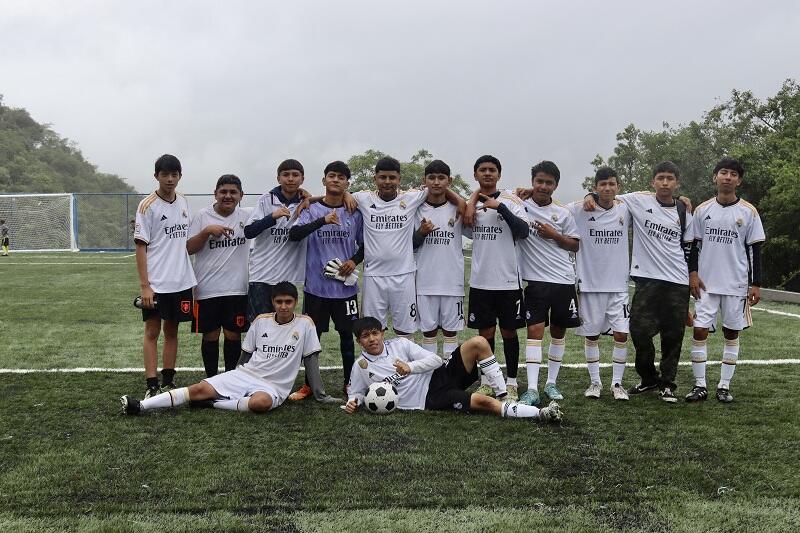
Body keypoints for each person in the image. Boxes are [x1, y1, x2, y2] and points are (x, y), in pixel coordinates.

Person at [121, 282, 329, 415]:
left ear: (296, 302)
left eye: (288, 302)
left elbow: (311, 361)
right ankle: (140, 406)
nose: (284, 306)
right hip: (247, 374)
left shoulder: (305, 324)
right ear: (272, 302)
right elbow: (245, 355)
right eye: (279, 302)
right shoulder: (260, 321)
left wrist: (320, 394)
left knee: (260, 404)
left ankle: (213, 404)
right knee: (198, 389)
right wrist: (232, 378)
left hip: (273, 387)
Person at [584, 161, 694, 403]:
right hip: (646, 280)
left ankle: (667, 384)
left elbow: (689, 247)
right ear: (652, 181)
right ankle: (648, 378)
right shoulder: (637, 200)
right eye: (661, 178)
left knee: (673, 335)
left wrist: (691, 277)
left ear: (677, 183)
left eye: (670, 178)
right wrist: (589, 194)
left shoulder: (684, 210)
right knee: (638, 331)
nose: (665, 182)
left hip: (677, 282)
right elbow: (607, 193)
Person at [343, 316, 562, 423]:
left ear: (382, 333)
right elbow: (356, 393)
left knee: (478, 342)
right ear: (359, 342)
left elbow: (436, 360)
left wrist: (409, 367)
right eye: (365, 336)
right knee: (483, 403)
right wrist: (355, 402)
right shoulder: (360, 366)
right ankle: (540, 414)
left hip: (440, 376)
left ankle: (505, 395)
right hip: (430, 398)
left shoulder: (400, 344)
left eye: (375, 333)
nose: (372, 339)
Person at [348, 156, 464, 341]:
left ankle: (403, 368)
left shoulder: (411, 198)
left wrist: (462, 202)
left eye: (392, 178)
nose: (387, 182)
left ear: (399, 179)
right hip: (373, 277)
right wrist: (309, 196)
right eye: (383, 177)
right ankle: (381, 368)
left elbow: (439, 188)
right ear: (374, 179)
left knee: (405, 330)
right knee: (372, 330)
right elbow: (337, 194)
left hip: (404, 276)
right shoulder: (363, 198)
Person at [685, 157, 765, 403]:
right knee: (699, 331)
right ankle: (700, 385)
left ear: (739, 181)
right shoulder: (703, 210)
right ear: (715, 177)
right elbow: (694, 246)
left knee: (731, 333)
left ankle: (724, 386)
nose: (727, 177)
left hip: (736, 284)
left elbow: (754, 250)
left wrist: (756, 283)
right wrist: (693, 274)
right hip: (706, 285)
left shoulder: (749, 212)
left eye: (733, 174)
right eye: (723, 172)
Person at [287, 161, 364, 398]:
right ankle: (310, 384)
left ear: (347, 183)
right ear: (324, 180)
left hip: (345, 289)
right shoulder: (310, 208)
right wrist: (322, 220)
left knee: (347, 336)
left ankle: (350, 383)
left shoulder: (354, 210)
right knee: (313, 338)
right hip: (316, 288)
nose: (336, 180)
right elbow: (294, 235)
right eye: (332, 176)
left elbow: (365, 245)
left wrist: (354, 260)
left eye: (341, 177)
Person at [462, 155, 528, 400]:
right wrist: (472, 201)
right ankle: (488, 382)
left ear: (499, 175)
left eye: (492, 170)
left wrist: (500, 207)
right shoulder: (471, 204)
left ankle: (511, 382)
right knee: (485, 336)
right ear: (476, 175)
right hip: (481, 282)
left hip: (509, 281)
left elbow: (523, 232)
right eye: (482, 170)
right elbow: (465, 226)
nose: (487, 173)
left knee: (509, 333)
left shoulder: (512, 201)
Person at [515, 161, 580, 407]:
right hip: (535, 282)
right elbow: (502, 194)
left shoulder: (563, 213)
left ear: (556, 185)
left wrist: (553, 235)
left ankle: (551, 383)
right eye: (539, 181)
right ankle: (532, 388)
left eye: (548, 183)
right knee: (534, 332)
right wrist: (524, 192)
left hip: (563, 280)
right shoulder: (520, 205)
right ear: (532, 182)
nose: (543, 186)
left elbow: (575, 245)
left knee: (558, 331)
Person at [133, 154, 197, 398]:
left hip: (181, 281)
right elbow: (141, 247)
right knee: (152, 332)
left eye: (174, 175)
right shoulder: (147, 206)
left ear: (180, 176)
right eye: (165, 175)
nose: (170, 179)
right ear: (156, 176)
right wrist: (145, 286)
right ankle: (151, 384)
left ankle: (168, 380)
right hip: (156, 283)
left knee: (173, 331)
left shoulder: (182, 202)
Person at [567, 167, 631, 401]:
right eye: (602, 184)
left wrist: (681, 200)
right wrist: (587, 198)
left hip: (618, 287)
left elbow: (651, 199)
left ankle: (617, 384)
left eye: (611, 184)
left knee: (622, 335)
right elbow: (554, 208)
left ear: (618, 187)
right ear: (595, 187)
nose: (607, 188)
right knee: (591, 336)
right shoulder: (579, 209)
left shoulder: (626, 208)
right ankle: (595, 383)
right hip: (589, 285)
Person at [187, 174, 251, 377]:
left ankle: (231, 378)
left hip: (238, 288)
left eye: (233, 192)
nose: (228, 196)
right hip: (207, 289)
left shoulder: (248, 216)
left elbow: (280, 204)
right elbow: (189, 248)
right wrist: (206, 232)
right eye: (223, 192)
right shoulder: (202, 216)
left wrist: (306, 195)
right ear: (215, 194)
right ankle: (212, 380)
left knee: (233, 335)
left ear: (241, 195)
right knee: (211, 335)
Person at [244, 159, 308, 322]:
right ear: (278, 178)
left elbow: (329, 198)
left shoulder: (305, 202)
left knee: (285, 326)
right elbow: (249, 231)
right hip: (261, 276)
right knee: (260, 325)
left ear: (302, 179)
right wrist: (272, 216)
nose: (291, 179)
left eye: (295, 175)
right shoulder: (266, 200)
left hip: (288, 277)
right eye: (286, 175)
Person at [412, 160, 465, 361]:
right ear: (424, 180)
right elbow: (409, 245)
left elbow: (470, 224)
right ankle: (431, 373)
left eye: (441, 178)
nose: (436, 182)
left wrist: (461, 202)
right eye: (431, 178)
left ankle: (449, 375)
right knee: (428, 331)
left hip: (453, 282)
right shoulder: (416, 208)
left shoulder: (458, 209)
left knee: (451, 332)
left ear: (449, 181)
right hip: (425, 282)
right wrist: (421, 233)